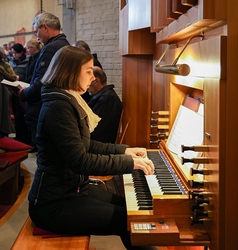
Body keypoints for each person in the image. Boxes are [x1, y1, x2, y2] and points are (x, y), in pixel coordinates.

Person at [28, 45, 154, 250]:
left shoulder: (67, 99)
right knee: (131, 222)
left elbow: (86, 145)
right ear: (70, 71)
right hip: (53, 203)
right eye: (88, 71)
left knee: (133, 210)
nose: (93, 77)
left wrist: (124, 151)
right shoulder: (58, 107)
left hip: (73, 190)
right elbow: (80, 161)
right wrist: (129, 163)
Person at [18, 12, 70, 152]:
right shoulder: (65, 44)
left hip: (44, 107)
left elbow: (41, 82)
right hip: (60, 106)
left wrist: (23, 94)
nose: (37, 38)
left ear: (45, 27)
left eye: (37, 32)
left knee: (45, 152)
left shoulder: (50, 48)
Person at [88, 66, 123, 143]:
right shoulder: (106, 95)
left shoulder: (107, 98)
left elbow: (95, 129)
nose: (87, 86)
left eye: (89, 80)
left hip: (101, 145)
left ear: (96, 81)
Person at [8, 43, 29, 144]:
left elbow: (29, 77)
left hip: (24, 90)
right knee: (16, 115)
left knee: (23, 116)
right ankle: (19, 137)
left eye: (15, 53)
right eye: (12, 53)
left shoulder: (27, 62)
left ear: (21, 52)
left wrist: (19, 78)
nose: (14, 56)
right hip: (13, 91)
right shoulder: (11, 63)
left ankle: (25, 139)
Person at [0, 46, 18, 138]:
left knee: (4, 114)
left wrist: (2, 71)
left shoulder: (5, 65)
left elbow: (13, 77)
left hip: (4, 93)